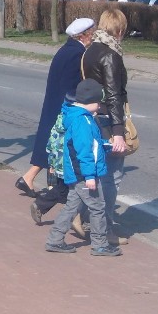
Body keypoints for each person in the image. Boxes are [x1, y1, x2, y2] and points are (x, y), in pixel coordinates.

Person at [18, 18, 95, 197]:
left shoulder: (68, 49)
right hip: (62, 105)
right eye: (92, 33)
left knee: (51, 143)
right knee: (56, 145)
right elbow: (72, 83)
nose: (93, 37)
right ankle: (48, 186)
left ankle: (34, 180)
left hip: (55, 102)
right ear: (83, 35)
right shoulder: (77, 53)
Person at [44, 78, 121, 256]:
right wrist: (90, 176)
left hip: (78, 173)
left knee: (72, 207)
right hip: (85, 174)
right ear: (90, 102)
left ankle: (54, 240)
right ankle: (100, 244)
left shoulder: (81, 117)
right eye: (99, 103)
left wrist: (106, 145)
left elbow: (91, 145)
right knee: (98, 207)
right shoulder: (82, 122)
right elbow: (84, 152)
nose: (100, 106)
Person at [81, 7, 131, 247]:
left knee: (94, 172)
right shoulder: (111, 55)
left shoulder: (90, 50)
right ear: (119, 29)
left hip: (90, 115)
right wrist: (118, 133)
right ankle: (106, 228)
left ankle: (84, 218)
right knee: (112, 176)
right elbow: (113, 95)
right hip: (106, 120)